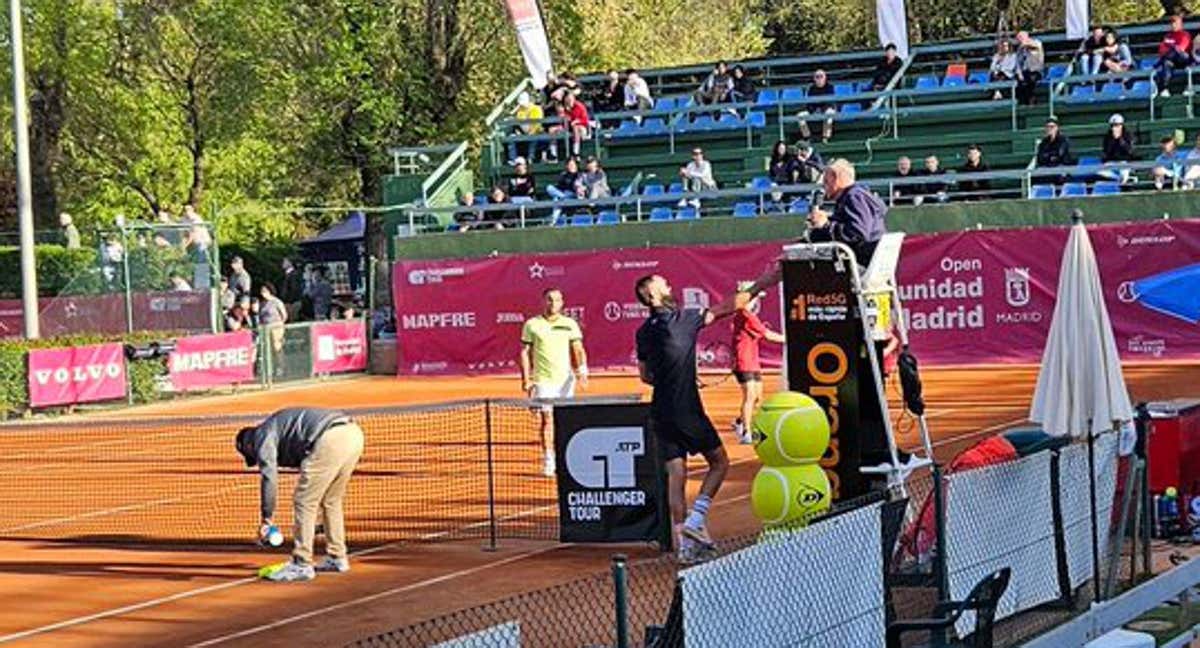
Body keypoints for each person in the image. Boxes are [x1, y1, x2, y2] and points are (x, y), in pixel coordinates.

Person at [634, 274, 748, 563]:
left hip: (661, 411)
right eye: (665, 284)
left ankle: (684, 546)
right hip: (686, 410)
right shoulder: (681, 319)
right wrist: (763, 284)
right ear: (654, 295)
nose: (671, 287)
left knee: (676, 476)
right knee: (720, 462)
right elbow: (727, 306)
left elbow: (646, 376)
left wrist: (673, 374)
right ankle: (696, 521)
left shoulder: (644, 330)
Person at [236, 408, 365, 582]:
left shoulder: (261, 437)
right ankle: (337, 557)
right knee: (331, 500)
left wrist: (267, 518)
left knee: (304, 500)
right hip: (353, 434)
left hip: (329, 438)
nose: (258, 459)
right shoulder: (276, 430)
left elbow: (269, 478)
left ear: (248, 445)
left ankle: (301, 563)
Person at [520, 288, 588, 477]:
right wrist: (527, 379)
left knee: (564, 420)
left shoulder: (569, 324)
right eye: (549, 300)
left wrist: (582, 370)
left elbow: (578, 349)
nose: (553, 304)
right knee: (547, 419)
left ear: (562, 303)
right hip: (543, 380)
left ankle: (566, 457)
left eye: (557, 300)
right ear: (544, 301)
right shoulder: (532, 324)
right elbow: (525, 352)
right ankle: (549, 458)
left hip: (566, 381)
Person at [730, 283, 786, 444]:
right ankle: (746, 432)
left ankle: (740, 422)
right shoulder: (745, 315)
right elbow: (768, 335)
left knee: (757, 398)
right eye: (753, 298)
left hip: (752, 361)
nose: (755, 301)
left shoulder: (747, 315)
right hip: (743, 362)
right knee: (750, 396)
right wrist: (791, 338)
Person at [1154, 14, 1192, 96]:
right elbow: (1161, 50)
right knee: (1166, 63)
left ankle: (1158, 63)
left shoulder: (1185, 35)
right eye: (1172, 23)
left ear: (1180, 24)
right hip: (1171, 60)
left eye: (1175, 23)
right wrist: (1171, 47)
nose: (1173, 25)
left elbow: (1181, 49)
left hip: (1183, 59)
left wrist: (1171, 46)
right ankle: (1165, 89)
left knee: (1174, 51)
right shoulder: (1168, 36)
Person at [800, 69, 836, 142]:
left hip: (827, 109)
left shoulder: (830, 87)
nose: (819, 79)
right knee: (800, 116)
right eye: (817, 77)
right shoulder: (811, 88)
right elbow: (809, 103)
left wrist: (821, 110)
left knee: (829, 113)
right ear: (814, 78)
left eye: (821, 76)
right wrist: (814, 110)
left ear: (825, 78)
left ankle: (825, 137)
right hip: (814, 110)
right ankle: (807, 137)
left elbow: (830, 102)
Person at [1100, 113, 1137, 184]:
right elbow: (1106, 151)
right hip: (1112, 161)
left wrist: (1120, 139)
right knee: (1101, 172)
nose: (1115, 127)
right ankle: (1119, 179)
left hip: (1124, 161)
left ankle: (1124, 180)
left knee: (1124, 174)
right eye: (1113, 125)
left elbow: (1129, 150)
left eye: (1117, 125)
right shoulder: (1108, 136)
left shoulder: (1128, 135)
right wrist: (1113, 139)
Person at [510, 92, 544, 164]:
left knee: (533, 138)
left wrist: (530, 133)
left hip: (536, 132)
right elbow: (518, 123)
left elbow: (537, 124)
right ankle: (513, 159)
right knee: (511, 137)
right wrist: (518, 132)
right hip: (523, 133)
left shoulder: (536, 109)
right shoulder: (520, 111)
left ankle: (530, 158)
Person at [259, 282, 288, 363]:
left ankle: (280, 366)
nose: (262, 293)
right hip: (265, 327)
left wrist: (280, 324)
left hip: (276, 326)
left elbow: (284, 315)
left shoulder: (276, 302)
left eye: (264, 291)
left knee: (277, 346)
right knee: (268, 348)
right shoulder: (263, 304)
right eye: (262, 291)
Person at [1015, 31, 1045, 106]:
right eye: (1018, 39)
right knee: (1019, 83)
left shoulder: (1037, 42)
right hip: (1025, 72)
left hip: (1036, 71)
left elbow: (1034, 46)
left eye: (1021, 38)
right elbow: (1018, 63)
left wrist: (1025, 44)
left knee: (1030, 81)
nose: (1019, 40)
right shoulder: (1020, 50)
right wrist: (1019, 74)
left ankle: (1032, 101)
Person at [561, 93, 591, 159]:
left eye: (570, 99)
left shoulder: (579, 106)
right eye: (567, 99)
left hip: (582, 128)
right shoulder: (565, 108)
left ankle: (576, 152)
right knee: (553, 130)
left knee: (576, 127)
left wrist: (577, 121)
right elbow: (564, 120)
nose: (569, 101)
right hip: (568, 127)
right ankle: (553, 155)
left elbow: (585, 120)